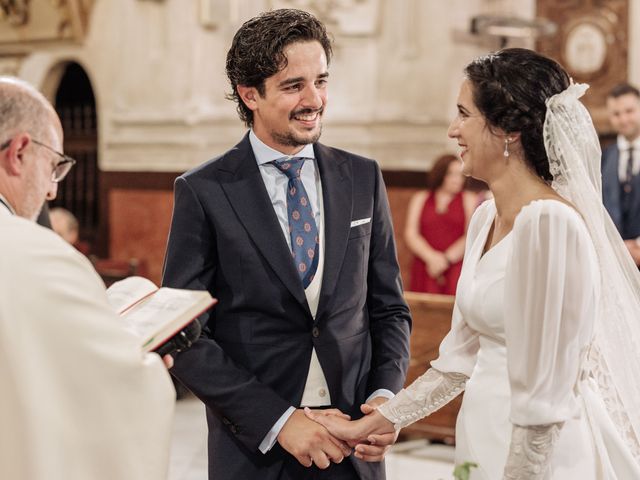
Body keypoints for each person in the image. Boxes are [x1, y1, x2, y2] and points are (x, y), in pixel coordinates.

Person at [305, 48, 640, 479]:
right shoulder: (484, 218)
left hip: (539, 453)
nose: (452, 130)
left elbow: (544, 402)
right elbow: (459, 357)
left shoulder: (550, 223)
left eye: (464, 114)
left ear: (508, 130)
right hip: (484, 428)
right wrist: (377, 423)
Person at [162, 8, 411, 480]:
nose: (314, 99)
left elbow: (389, 309)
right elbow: (184, 336)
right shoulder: (204, 191)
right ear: (249, 94)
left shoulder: (362, 177)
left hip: (353, 445)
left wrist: (384, 399)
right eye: (294, 85)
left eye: (321, 80)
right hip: (256, 452)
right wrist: (279, 421)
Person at [0, 76, 176, 479]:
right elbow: (112, 404)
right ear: (19, 153)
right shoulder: (36, 256)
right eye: (54, 166)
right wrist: (145, 365)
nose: (51, 192)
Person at [405, 154, 476, 294]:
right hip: (425, 265)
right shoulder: (420, 198)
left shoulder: (469, 199)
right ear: (441, 174)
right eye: (452, 174)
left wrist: (446, 259)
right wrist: (431, 257)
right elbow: (411, 233)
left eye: (460, 175)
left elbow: (471, 234)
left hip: (455, 266)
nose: (457, 180)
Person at [602, 83, 640, 265]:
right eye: (616, 114)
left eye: (629, 111)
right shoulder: (603, 158)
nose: (623, 119)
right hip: (614, 262)